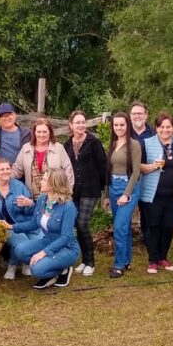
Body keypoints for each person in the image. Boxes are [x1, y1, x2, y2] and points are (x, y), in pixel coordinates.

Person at [7, 168, 81, 289]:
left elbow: (66, 237)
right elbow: (33, 223)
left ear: (53, 184)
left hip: (67, 248)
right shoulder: (42, 199)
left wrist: (43, 253)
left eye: (44, 180)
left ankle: (64, 270)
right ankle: (52, 269)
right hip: (48, 241)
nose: (40, 181)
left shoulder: (68, 206)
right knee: (20, 249)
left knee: (36, 269)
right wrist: (11, 226)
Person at [138, 113, 173, 273]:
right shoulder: (146, 143)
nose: (165, 130)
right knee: (153, 227)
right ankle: (152, 260)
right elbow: (138, 166)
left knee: (168, 227)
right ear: (156, 128)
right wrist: (153, 166)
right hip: (152, 195)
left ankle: (163, 257)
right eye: (162, 127)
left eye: (168, 127)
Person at [63, 110, 108, 276]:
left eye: (83, 122)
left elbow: (103, 166)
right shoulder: (67, 144)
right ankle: (83, 261)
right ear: (71, 125)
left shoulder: (93, 142)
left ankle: (90, 262)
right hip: (73, 191)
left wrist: (103, 189)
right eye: (77, 122)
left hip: (91, 189)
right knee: (76, 224)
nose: (81, 125)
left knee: (82, 223)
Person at [0, 158, 38, 279]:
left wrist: (30, 204)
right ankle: (15, 264)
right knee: (23, 242)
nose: (6, 171)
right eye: (2, 169)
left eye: (8, 168)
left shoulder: (19, 186)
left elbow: (30, 212)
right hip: (2, 225)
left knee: (38, 240)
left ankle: (17, 263)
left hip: (23, 223)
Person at [104, 112, 142, 278]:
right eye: (116, 125)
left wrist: (126, 194)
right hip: (113, 187)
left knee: (119, 228)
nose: (119, 128)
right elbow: (108, 170)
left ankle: (118, 265)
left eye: (122, 125)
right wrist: (106, 194)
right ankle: (126, 261)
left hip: (129, 187)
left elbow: (136, 172)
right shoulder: (112, 144)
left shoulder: (134, 145)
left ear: (128, 126)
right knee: (123, 228)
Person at [12, 117, 74, 195]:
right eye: (39, 132)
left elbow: (68, 172)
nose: (41, 135)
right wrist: (3, 179)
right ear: (34, 132)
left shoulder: (59, 148)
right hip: (31, 199)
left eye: (45, 132)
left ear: (50, 132)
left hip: (53, 198)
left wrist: (67, 193)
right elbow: (17, 170)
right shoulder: (26, 148)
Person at [129, 102, 154, 244]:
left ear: (146, 115)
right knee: (128, 205)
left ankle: (146, 236)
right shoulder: (126, 132)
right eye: (134, 113)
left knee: (147, 207)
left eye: (140, 113)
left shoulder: (153, 133)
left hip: (149, 175)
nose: (137, 116)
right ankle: (127, 236)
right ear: (130, 116)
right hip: (129, 175)